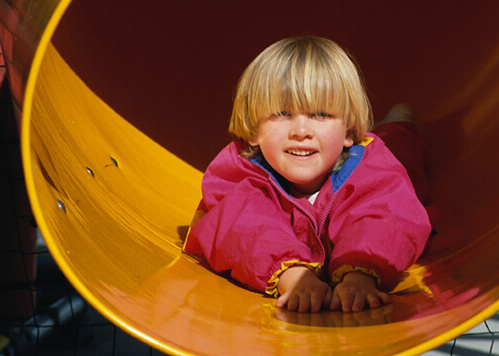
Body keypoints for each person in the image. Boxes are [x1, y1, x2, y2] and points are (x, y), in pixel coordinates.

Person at [183, 36, 432, 313]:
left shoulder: (372, 166)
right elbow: (242, 228)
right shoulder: (238, 174)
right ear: (253, 130)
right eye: (282, 113)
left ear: (349, 131)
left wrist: (361, 275)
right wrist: (291, 276)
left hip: (381, 159)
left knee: (404, 157)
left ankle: (399, 125)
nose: (301, 131)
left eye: (321, 114)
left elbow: (384, 216)